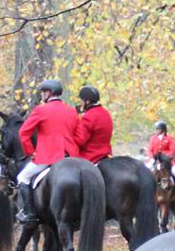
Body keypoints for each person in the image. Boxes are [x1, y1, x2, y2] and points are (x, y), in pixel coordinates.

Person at [16, 79, 79, 223]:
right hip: (71, 156)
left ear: (49, 93)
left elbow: (23, 133)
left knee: (23, 178)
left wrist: (31, 152)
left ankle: (30, 213)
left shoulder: (40, 110)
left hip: (49, 155)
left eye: (43, 92)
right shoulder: (71, 111)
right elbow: (78, 135)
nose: (42, 95)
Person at [73, 85, 113, 164]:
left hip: (91, 156)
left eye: (81, 100)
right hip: (106, 154)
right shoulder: (105, 113)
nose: (80, 103)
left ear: (87, 101)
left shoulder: (89, 116)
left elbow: (80, 140)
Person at [147, 120, 175, 193]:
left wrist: (165, 157)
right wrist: (151, 159)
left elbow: (172, 151)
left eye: (158, 129)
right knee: (144, 170)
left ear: (163, 129)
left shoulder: (169, 139)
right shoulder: (153, 138)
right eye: (156, 129)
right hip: (155, 160)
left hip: (167, 161)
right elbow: (150, 150)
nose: (156, 130)